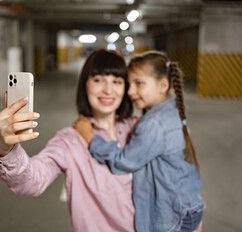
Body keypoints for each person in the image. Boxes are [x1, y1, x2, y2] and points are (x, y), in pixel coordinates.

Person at [0, 49, 139, 232]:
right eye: (98, 80)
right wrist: (6, 149)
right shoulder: (69, 141)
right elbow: (31, 181)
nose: (108, 90)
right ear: (85, 85)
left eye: (117, 81)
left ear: (126, 88)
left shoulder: (140, 129)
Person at [73, 50, 204, 232]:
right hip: (189, 208)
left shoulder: (154, 124)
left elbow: (124, 161)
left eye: (139, 84)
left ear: (162, 85)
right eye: (129, 84)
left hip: (172, 217)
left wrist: (90, 137)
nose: (130, 91)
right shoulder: (172, 112)